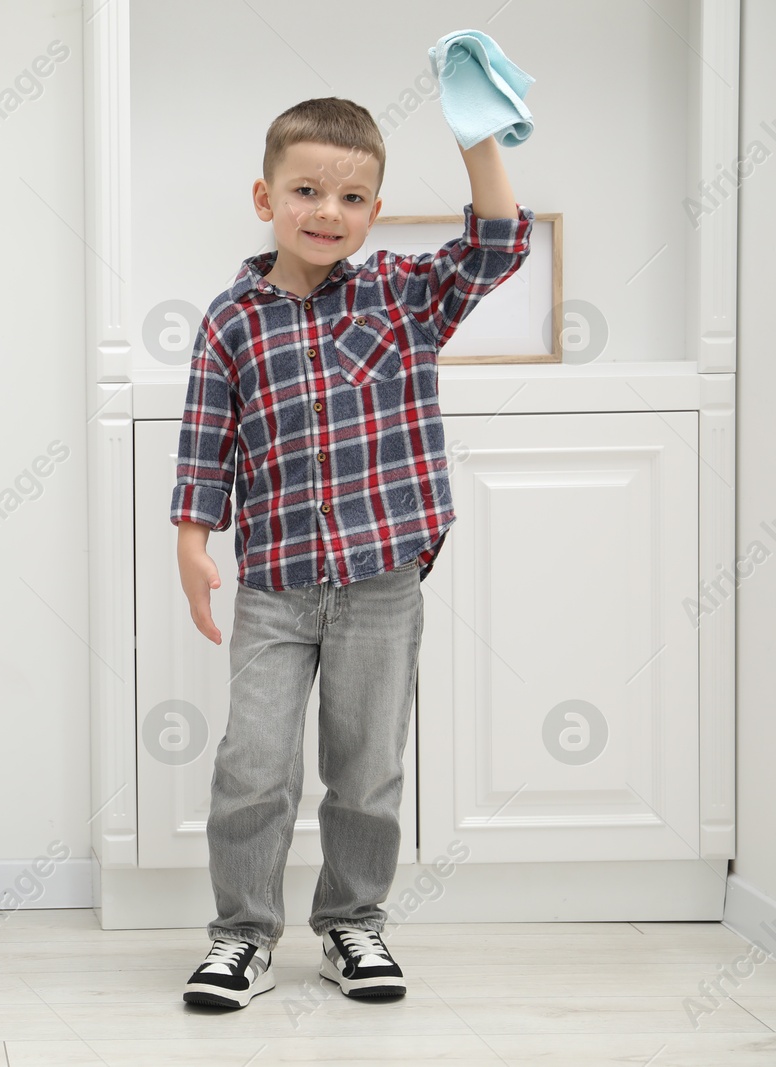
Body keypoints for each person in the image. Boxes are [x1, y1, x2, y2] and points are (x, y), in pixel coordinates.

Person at [170, 96, 533, 1010]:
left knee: (366, 765)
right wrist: (191, 543)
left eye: (352, 197)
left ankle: (350, 924)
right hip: (276, 586)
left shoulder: (403, 294)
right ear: (265, 196)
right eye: (306, 190)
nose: (327, 212)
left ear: (373, 210)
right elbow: (206, 441)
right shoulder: (231, 320)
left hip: (382, 579)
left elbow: (496, 244)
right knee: (253, 763)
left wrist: (475, 133)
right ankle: (242, 935)